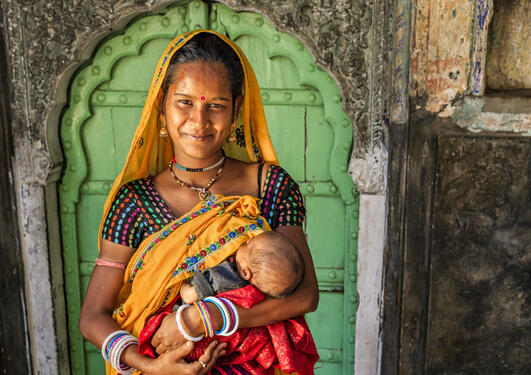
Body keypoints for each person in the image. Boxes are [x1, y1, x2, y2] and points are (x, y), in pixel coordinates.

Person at [79, 30, 319, 375]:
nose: (199, 121)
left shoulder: (270, 186)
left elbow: (305, 294)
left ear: (236, 110)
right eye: (185, 102)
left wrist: (205, 317)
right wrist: (149, 364)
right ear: (162, 105)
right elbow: (92, 317)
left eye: (216, 106)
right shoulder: (133, 202)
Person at [180, 231, 305, 302]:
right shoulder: (254, 292)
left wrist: (181, 283)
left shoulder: (224, 276)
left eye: (248, 245)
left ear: (245, 272)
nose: (246, 240)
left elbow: (189, 296)